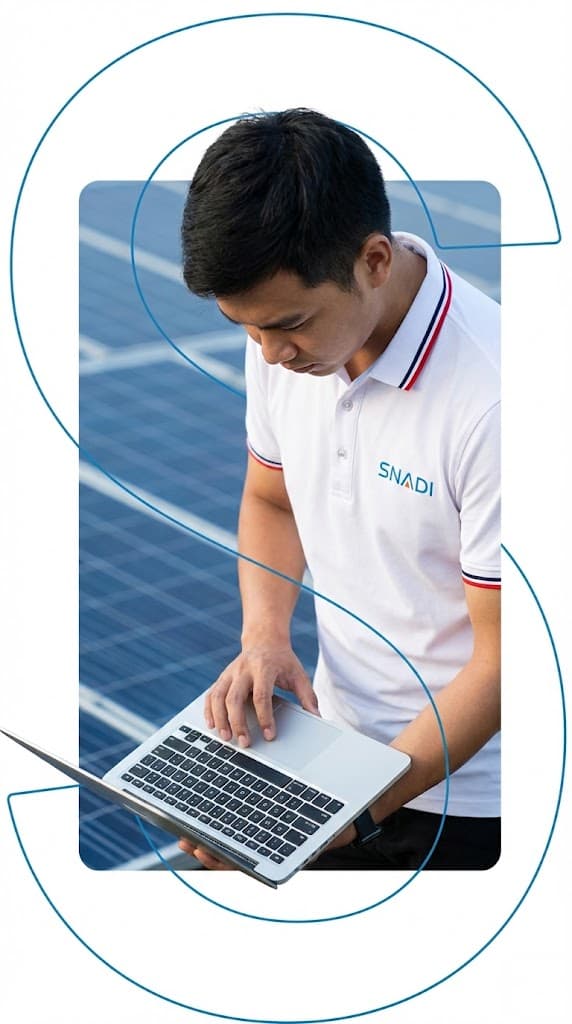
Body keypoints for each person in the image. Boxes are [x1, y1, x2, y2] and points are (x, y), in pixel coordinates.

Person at [177, 108, 501, 871]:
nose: (267, 353)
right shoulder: (292, 342)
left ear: (375, 261)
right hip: (334, 753)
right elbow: (271, 501)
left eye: (286, 326)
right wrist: (264, 637)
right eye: (246, 329)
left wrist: (349, 812)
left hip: (469, 802)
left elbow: (505, 664)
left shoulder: (497, 402)